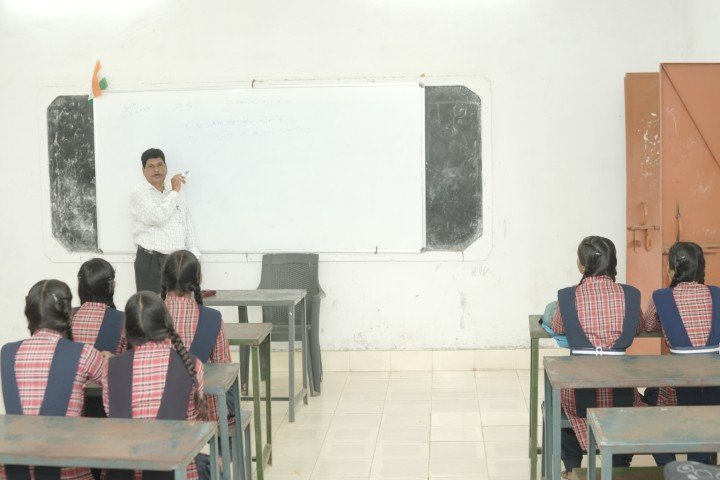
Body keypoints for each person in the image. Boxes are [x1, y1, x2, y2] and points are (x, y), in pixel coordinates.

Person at [551, 236, 644, 477]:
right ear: (613, 263)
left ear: (582, 265)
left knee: (556, 404)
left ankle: (572, 468)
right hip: (621, 389)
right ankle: (620, 466)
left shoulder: (568, 296)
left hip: (579, 391)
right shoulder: (631, 295)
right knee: (634, 404)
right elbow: (639, 327)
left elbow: (558, 327)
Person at [0, 280, 105, 480]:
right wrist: (107, 359)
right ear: (68, 313)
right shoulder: (85, 353)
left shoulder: (7, 352)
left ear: (28, 314)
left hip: (13, 471)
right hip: (68, 471)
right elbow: (114, 388)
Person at [102, 291, 209, 480]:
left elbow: (112, 415)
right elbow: (193, 425)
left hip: (124, 471)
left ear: (125, 330)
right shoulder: (192, 364)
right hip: (177, 471)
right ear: (167, 323)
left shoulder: (111, 367)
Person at [642, 241, 720, 466]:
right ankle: (699, 465)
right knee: (701, 416)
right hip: (715, 383)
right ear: (702, 268)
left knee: (650, 406)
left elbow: (648, 325)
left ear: (672, 270)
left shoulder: (661, 297)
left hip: (678, 385)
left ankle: (670, 466)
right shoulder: (717, 294)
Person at [161, 250, 233, 423]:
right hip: (204, 415)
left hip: (158, 414)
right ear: (198, 279)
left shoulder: (147, 315)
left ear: (164, 278)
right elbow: (224, 371)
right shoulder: (213, 318)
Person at [131, 148, 200, 293]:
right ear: (143, 170)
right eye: (151, 166)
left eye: (160, 165)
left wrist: (195, 257)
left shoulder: (176, 190)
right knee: (151, 305)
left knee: (178, 305)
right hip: (151, 261)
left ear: (166, 167)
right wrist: (174, 192)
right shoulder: (139, 192)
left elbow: (186, 224)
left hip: (178, 261)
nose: (156, 170)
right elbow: (157, 217)